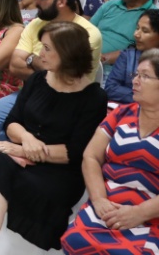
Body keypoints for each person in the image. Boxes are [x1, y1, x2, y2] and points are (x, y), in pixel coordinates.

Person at [0, 21, 107, 253]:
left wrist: (20, 149)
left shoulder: (93, 97)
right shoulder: (37, 80)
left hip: (59, 174)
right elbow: (11, 122)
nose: (39, 54)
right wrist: (26, 139)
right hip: (21, 159)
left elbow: (74, 153)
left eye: (47, 49)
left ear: (69, 53)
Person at [61, 48, 159, 253]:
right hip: (107, 205)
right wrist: (98, 200)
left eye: (145, 76)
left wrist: (139, 213)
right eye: (136, 74)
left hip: (151, 215)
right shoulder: (122, 113)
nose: (135, 81)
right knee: (75, 239)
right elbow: (91, 156)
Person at [0, 0, 103, 140]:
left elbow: (63, 75)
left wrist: (30, 59)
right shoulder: (36, 23)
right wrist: (43, 68)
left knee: (40, 132)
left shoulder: (87, 33)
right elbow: (15, 65)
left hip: (69, 100)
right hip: (31, 92)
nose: (37, 1)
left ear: (61, 2)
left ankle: (28, 155)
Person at [93, 0, 156, 69]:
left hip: (119, 70)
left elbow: (140, 51)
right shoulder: (111, 4)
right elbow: (88, 30)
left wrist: (101, 59)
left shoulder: (153, 16)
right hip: (88, 61)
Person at [104, 11, 159, 104]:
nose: (136, 34)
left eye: (145, 31)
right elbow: (111, 88)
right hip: (128, 109)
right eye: (137, 28)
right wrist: (144, 98)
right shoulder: (128, 56)